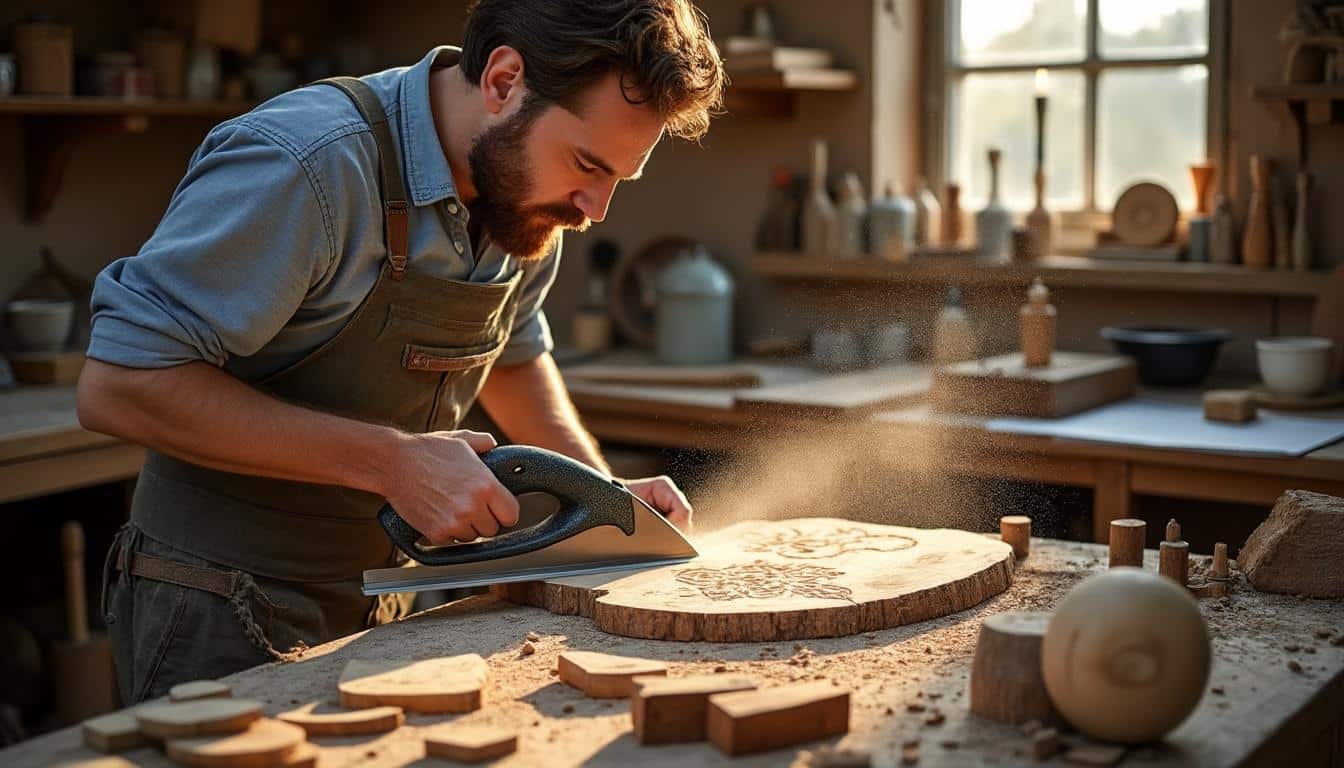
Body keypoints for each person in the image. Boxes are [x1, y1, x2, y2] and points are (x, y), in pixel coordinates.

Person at [75, 0, 724, 703]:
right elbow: (119, 383)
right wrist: (392, 463)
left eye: (617, 180)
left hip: (387, 600)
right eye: (587, 165)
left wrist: (605, 502)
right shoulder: (309, 166)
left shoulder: (526, 198)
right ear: (504, 81)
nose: (595, 209)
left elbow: (510, 357)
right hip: (218, 601)